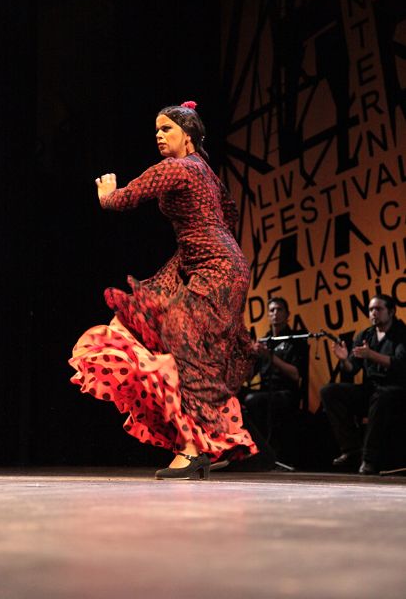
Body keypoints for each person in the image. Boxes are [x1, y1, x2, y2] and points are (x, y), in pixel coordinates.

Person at [69, 101, 261, 479]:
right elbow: (231, 214)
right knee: (130, 326)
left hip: (212, 268)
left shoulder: (177, 168)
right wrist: (199, 244)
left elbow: (124, 199)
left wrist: (106, 193)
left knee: (181, 354)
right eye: (156, 129)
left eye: (167, 129)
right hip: (216, 264)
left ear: (188, 135)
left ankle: (193, 450)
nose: (158, 135)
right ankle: (206, 441)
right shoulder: (206, 172)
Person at [320, 294, 406, 475]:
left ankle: (369, 459)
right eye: (370, 310)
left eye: (378, 309)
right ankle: (351, 450)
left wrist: (371, 355)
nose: (373, 313)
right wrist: (344, 360)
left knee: (381, 396)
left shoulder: (401, 332)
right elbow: (352, 369)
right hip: (371, 388)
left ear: (391, 312)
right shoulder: (365, 335)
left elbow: (400, 365)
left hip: (395, 390)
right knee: (329, 391)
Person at [242, 297, 309, 462]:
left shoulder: (296, 339)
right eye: (271, 310)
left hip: (286, 392)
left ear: (287, 314)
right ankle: (246, 450)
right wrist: (250, 356)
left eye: (279, 310)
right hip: (265, 390)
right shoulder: (264, 341)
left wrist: (270, 357)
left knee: (253, 400)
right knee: (236, 395)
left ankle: (265, 452)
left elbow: (296, 375)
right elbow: (249, 377)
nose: (275, 313)